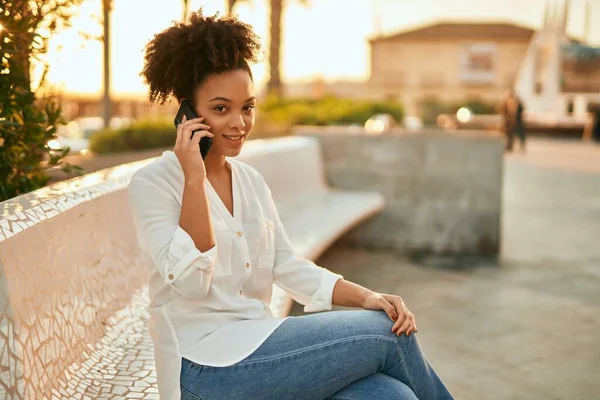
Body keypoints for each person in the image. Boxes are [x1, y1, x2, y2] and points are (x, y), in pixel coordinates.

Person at [128, 10, 454, 400]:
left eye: (247, 107)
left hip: (261, 346)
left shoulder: (249, 181)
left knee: (390, 396)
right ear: (187, 113)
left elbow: (288, 265)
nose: (239, 122)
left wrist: (368, 297)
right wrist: (194, 178)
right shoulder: (154, 184)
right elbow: (192, 284)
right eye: (220, 108)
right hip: (202, 371)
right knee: (388, 335)